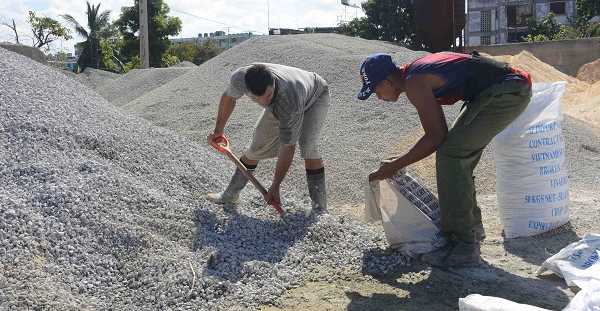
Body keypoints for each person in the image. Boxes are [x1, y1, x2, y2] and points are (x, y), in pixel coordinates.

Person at [358, 51, 532, 267]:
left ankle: (463, 247)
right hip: (503, 89)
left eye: (376, 91)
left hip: (505, 91)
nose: (379, 97)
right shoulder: (414, 74)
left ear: (386, 82)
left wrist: (396, 164)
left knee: (451, 155)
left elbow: (436, 136)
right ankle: (472, 230)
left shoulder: (414, 83)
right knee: (456, 154)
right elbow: (438, 133)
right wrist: (400, 160)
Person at [207, 63, 330, 214]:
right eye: (256, 99)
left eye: (268, 96)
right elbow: (229, 98)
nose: (263, 102)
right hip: (282, 102)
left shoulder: (288, 100)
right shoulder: (240, 79)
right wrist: (218, 129)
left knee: (307, 145)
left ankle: (320, 208)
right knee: (257, 147)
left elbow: (288, 147)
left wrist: (275, 185)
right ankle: (230, 194)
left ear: (273, 80)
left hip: (315, 95)